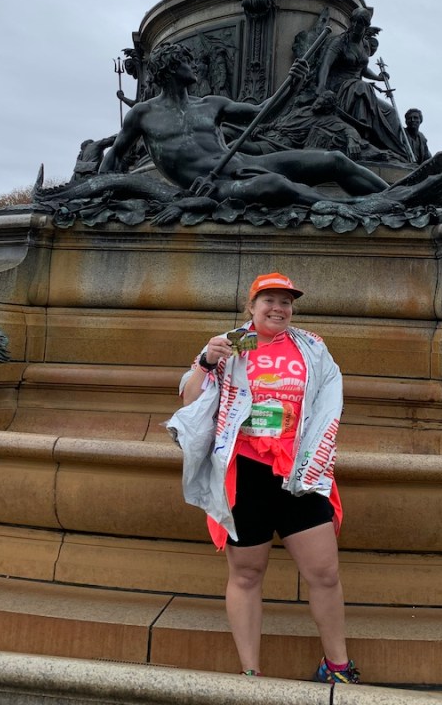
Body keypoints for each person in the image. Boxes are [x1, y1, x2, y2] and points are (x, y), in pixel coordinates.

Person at [166, 272, 360, 683]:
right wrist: (206, 361)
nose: (278, 308)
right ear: (251, 307)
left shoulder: (311, 346)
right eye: (269, 300)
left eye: (286, 302)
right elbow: (189, 400)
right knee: (247, 573)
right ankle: (251, 671)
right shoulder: (229, 345)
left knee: (324, 573)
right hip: (247, 473)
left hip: (300, 471)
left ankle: (338, 667)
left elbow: (330, 396)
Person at [98, 41, 410, 207]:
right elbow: (116, 155)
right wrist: (101, 188)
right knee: (278, 186)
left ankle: (399, 196)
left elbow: (263, 112)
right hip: (213, 186)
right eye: (186, 62)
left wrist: (292, 85)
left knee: (335, 160)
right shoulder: (143, 113)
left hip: (242, 163)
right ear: (169, 68)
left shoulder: (211, 104)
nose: (194, 66)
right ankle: (356, 207)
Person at [315, 8, 412, 161]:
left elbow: (363, 69)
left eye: (363, 24)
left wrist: (378, 78)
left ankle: (400, 153)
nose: (359, 26)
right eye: (357, 22)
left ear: (367, 26)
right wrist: (320, 87)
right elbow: (325, 65)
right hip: (340, 88)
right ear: (351, 23)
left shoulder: (365, 45)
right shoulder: (339, 42)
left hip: (358, 88)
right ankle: (361, 136)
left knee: (390, 112)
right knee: (362, 87)